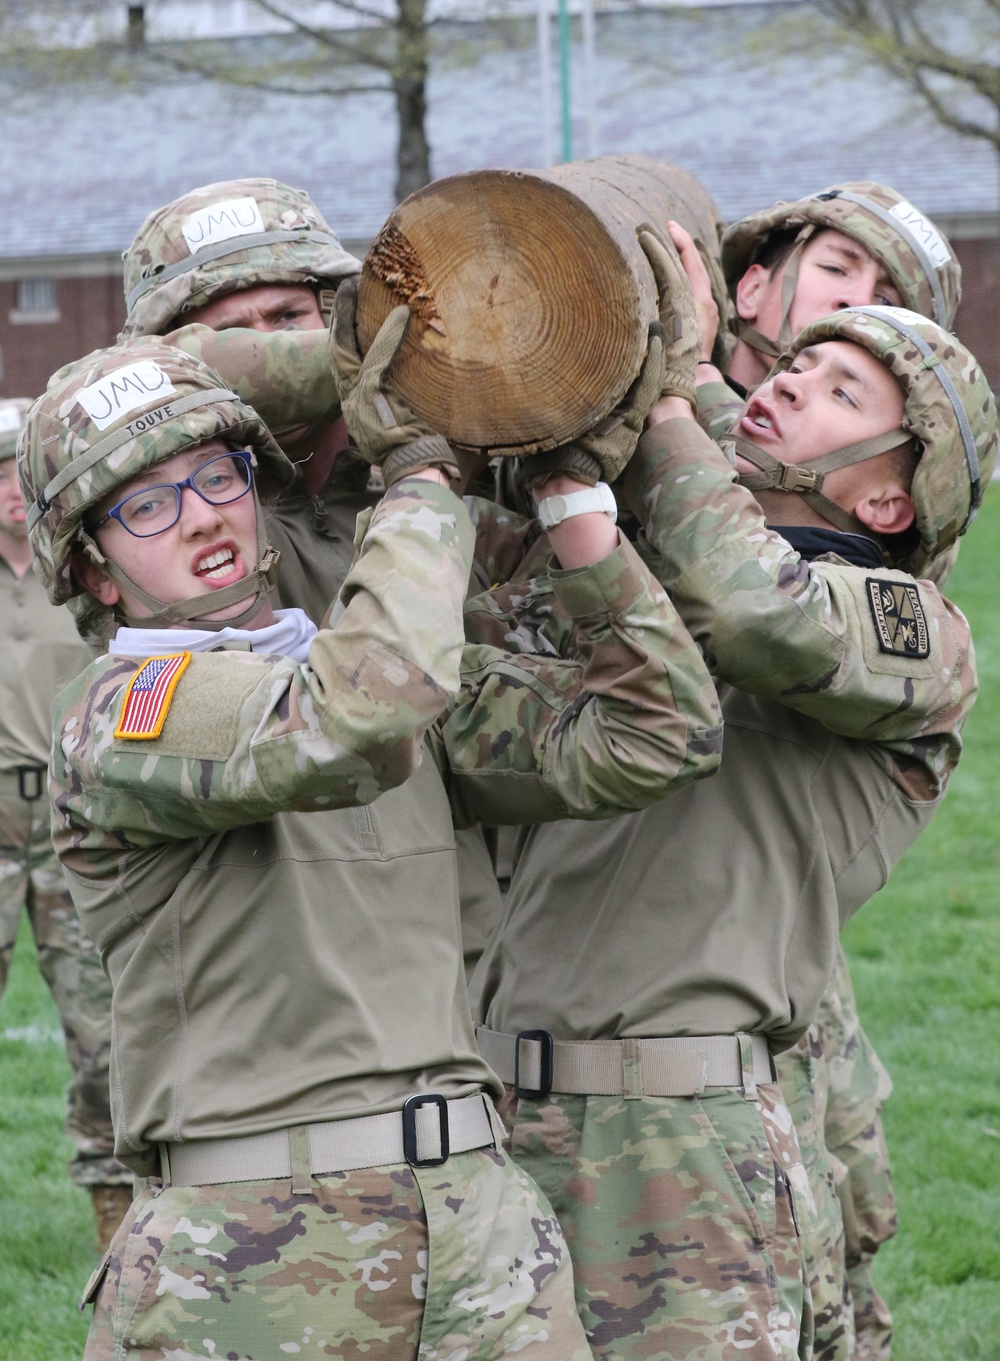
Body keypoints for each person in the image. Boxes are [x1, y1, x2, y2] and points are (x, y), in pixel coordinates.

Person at [21, 312, 722, 1358]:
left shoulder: (366, 667)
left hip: (479, 1222)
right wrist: (421, 480)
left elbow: (655, 733)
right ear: (93, 569)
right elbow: (349, 716)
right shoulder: (124, 710)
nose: (201, 514)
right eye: (147, 503)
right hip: (250, 1245)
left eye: (218, 477)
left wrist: (581, 522)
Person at [468, 259, 996, 1361]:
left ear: (889, 500)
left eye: (844, 394)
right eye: (798, 363)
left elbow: (757, 606)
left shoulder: (910, 634)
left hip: (681, 1145)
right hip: (494, 1111)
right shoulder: (645, 571)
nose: (797, 384)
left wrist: (674, 398)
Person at [676, 180, 962, 1360]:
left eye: (890, 303)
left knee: (827, 1294)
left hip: (732, 1066)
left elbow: (763, 603)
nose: (852, 310)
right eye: (843, 270)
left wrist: (667, 404)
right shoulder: (666, 476)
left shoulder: (881, 608)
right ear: (751, 285)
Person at [0, 397, 132, 1251]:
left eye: (21, 474)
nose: (11, 493)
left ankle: (119, 1224)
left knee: (105, 1031)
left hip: (71, 811)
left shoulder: (90, 575)